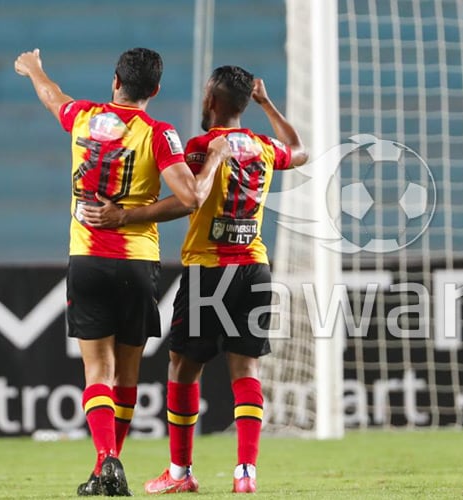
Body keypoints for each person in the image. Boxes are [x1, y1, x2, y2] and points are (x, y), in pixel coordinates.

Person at [14, 47, 228, 496]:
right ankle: (108, 466)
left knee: (97, 373)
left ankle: (105, 462)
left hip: (87, 261)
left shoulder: (84, 117)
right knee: (127, 374)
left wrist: (34, 69)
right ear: (155, 90)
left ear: (115, 80)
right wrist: (132, 215)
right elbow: (190, 198)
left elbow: (52, 97)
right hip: (135, 263)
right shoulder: (158, 133)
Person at [84, 65, 308, 494]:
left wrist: (125, 214)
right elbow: (299, 150)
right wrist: (267, 104)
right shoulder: (262, 146)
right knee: (246, 369)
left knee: (183, 371)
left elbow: (185, 196)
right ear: (245, 103)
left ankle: (181, 473)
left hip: (209, 270)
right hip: (256, 268)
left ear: (212, 102)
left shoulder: (202, 148)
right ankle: (246, 472)